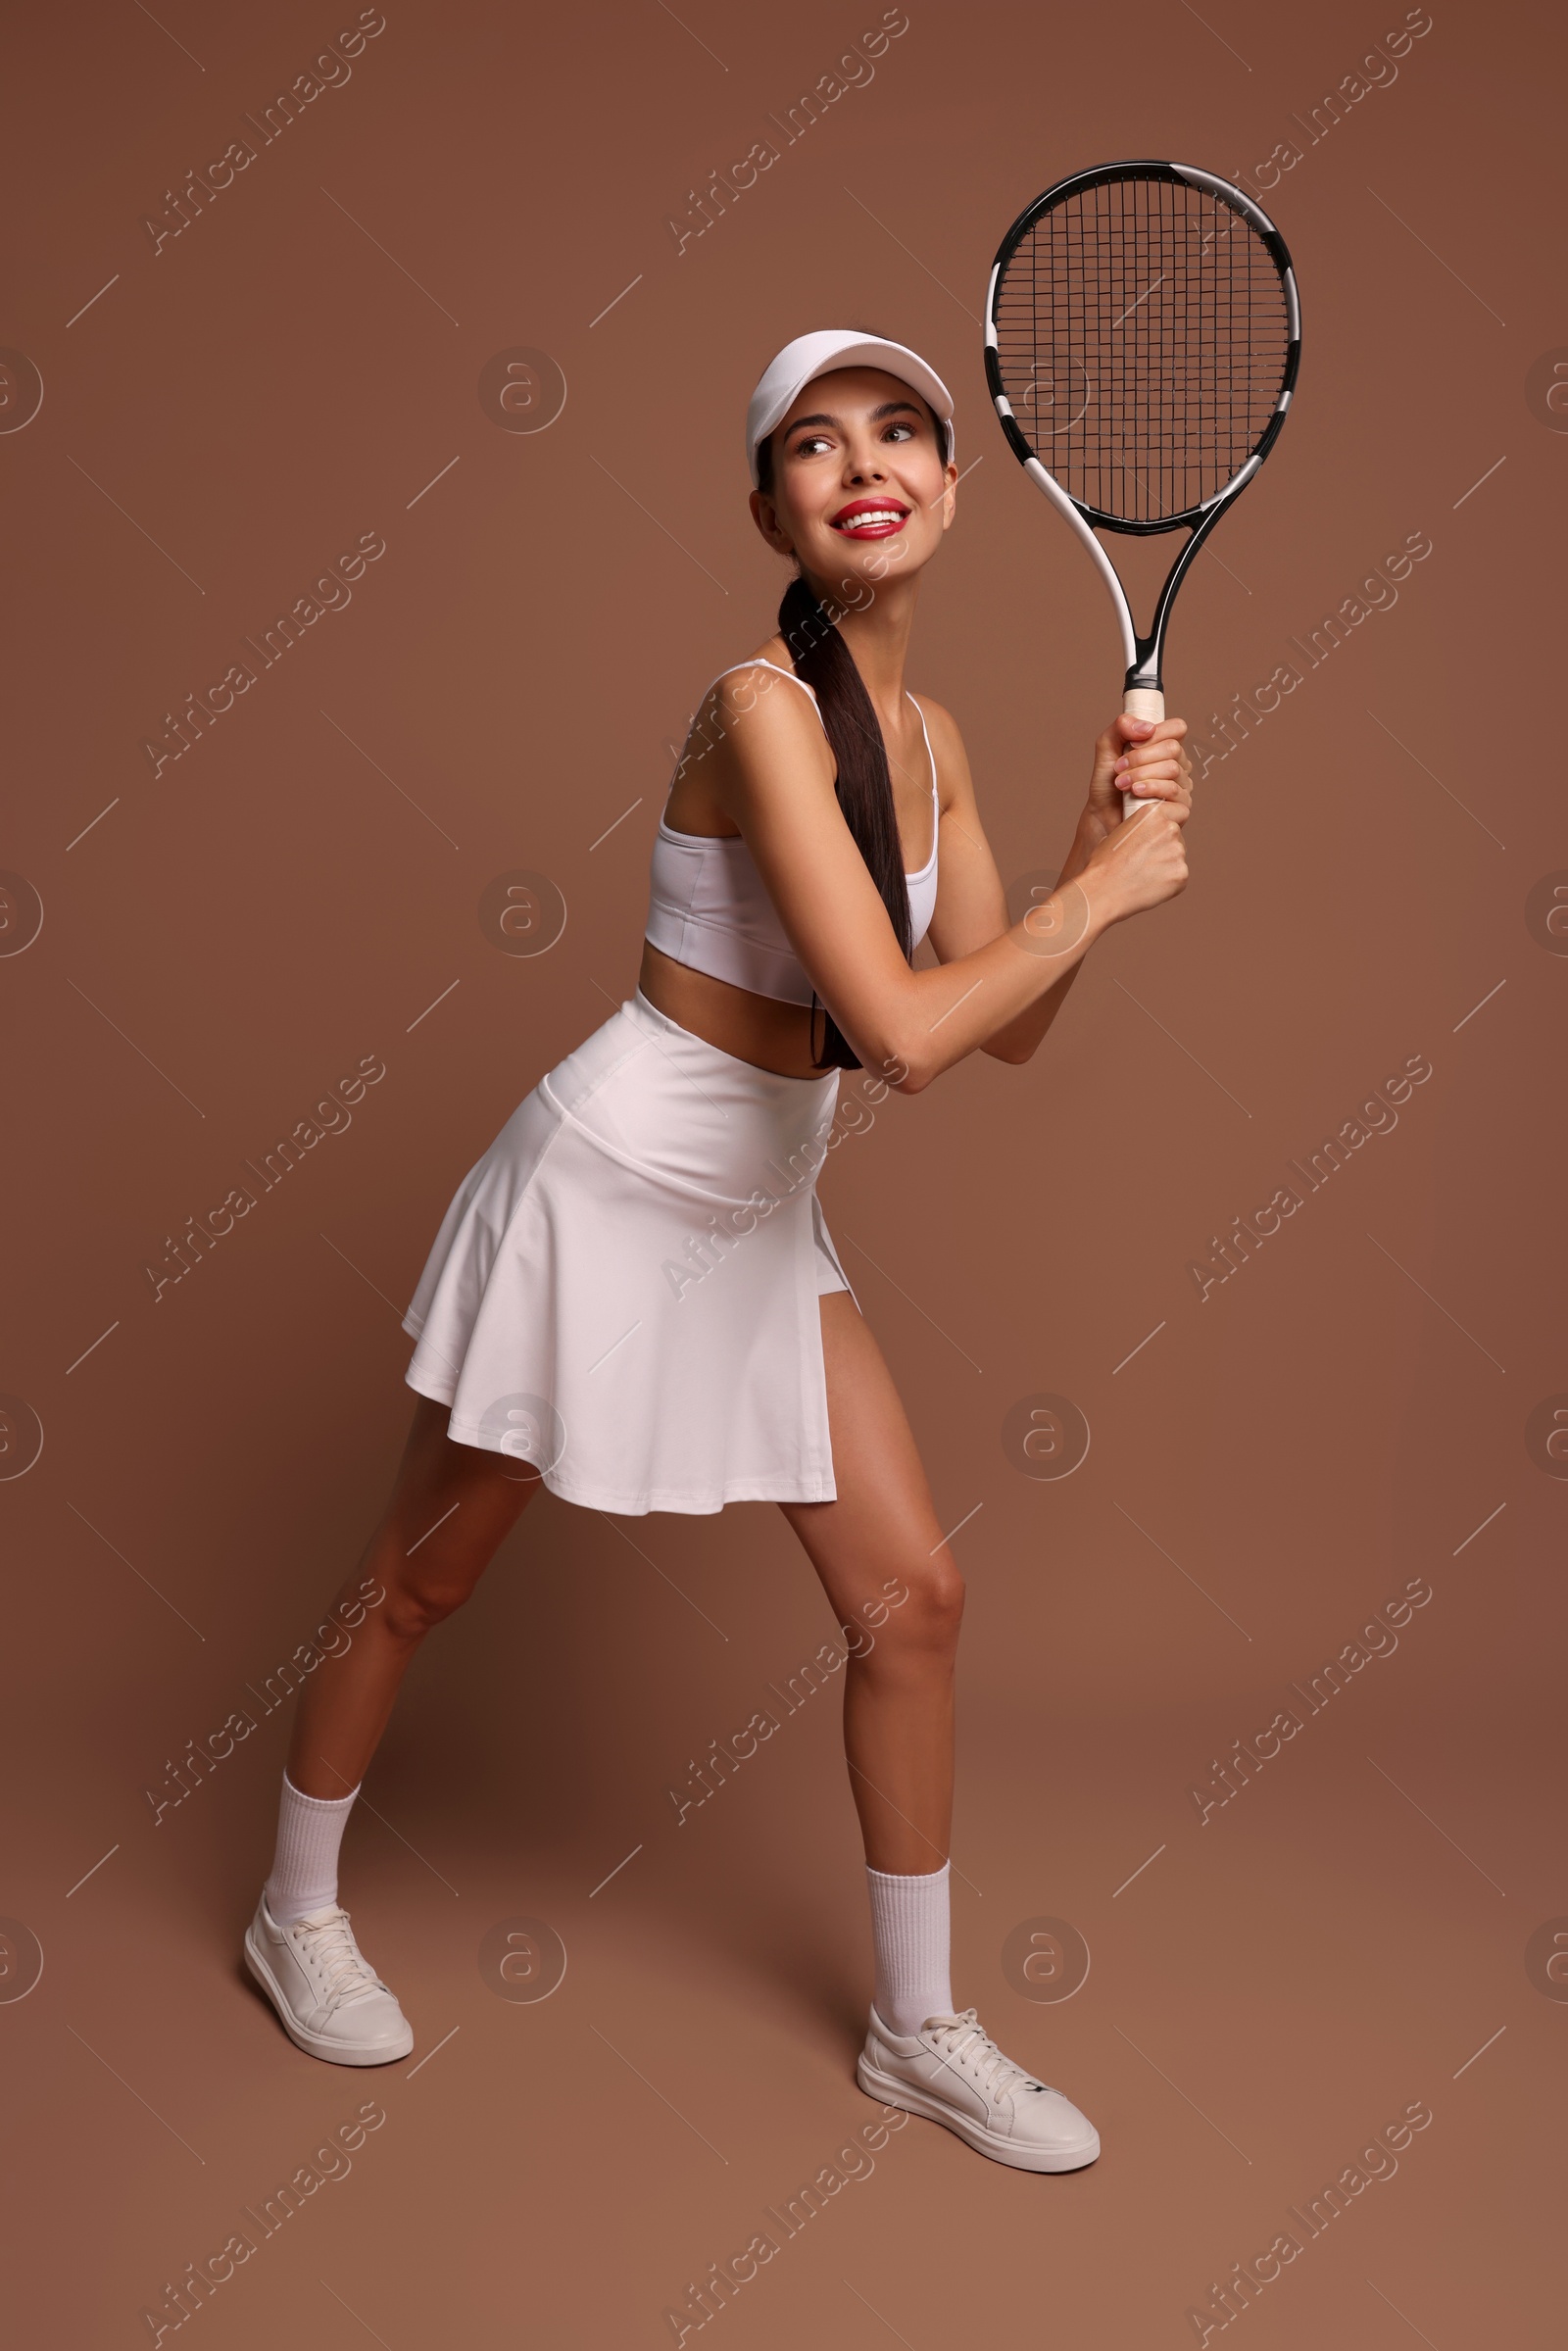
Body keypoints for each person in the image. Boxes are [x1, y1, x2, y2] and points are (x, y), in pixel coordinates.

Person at [243, 329, 1192, 2171]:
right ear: (769, 506)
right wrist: (1099, 893)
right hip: (608, 1190)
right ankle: (294, 1910)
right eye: (817, 442)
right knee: (420, 1583)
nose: (869, 460)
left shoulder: (936, 742)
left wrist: (1091, 845)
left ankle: (918, 2031)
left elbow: (1010, 1030)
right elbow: (906, 1040)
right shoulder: (756, 707)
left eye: (905, 430)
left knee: (915, 1603)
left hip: (760, 1206)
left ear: (950, 486)